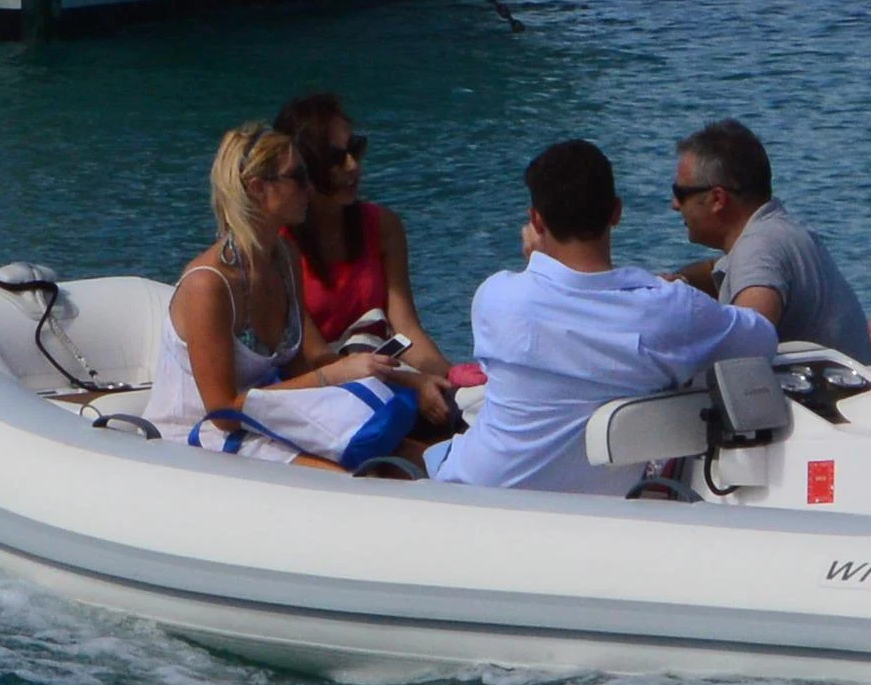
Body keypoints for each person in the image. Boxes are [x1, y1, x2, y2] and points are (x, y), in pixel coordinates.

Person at [429, 139, 777, 491]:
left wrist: (534, 261)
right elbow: (761, 336)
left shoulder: (496, 297)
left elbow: (542, 322)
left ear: (537, 220)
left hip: (475, 490)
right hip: (594, 503)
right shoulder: (669, 311)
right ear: (616, 212)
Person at [159, 120, 422, 471]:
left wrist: (399, 374)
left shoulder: (285, 258)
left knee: (413, 454)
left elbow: (298, 367)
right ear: (257, 188)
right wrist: (336, 375)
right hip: (201, 432)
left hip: (267, 418)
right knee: (348, 479)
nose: (311, 189)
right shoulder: (208, 285)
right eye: (298, 177)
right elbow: (222, 410)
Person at [273, 91, 456, 442]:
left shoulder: (383, 226)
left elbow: (407, 330)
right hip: (320, 391)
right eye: (336, 157)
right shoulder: (280, 248)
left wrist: (447, 379)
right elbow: (315, 358)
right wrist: (413, 382)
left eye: (355, 149)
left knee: (454, 410)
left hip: (382, 374)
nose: (353, 166)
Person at [667, 123, 840, 353]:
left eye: (681, 194)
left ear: (718, 199)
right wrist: (679, 283)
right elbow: (716, 271)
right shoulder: (778, 231)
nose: (675, 205)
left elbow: (747, 348)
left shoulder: (758, 249)